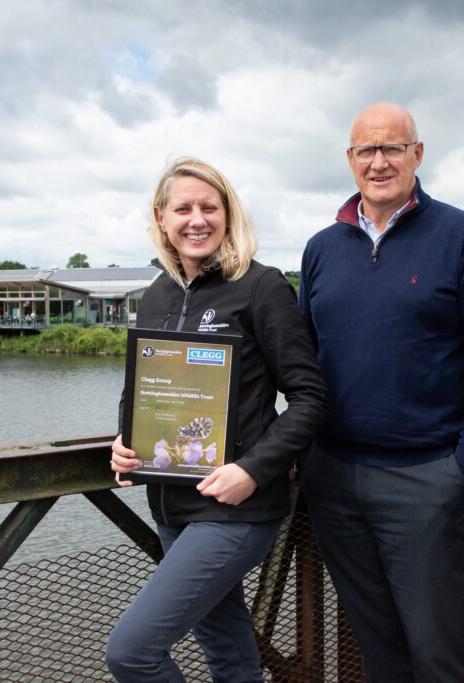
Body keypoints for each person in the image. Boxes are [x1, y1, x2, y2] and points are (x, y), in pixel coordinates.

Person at [106, 157, 328, 682]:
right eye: (182, 208)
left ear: (229, 215)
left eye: (210, 207)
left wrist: (252, 470)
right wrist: (125, 439)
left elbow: (310, 397)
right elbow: (139, 386)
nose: (196, 219)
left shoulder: (261, 287)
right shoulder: (156, 294)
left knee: (132, 652)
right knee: (227, 648)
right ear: (161, 218)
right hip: (169, 503)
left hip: (235, 508)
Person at [298, 102, 464, 682]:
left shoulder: (462, 236)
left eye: (392, 148)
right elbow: (300, 360)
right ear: (350, 158)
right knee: (378, 645)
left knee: (442, 649)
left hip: (426, 476)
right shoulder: (321, 248)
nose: (379, 161)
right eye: (367, 150)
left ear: (418, 153)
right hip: (334, 477)